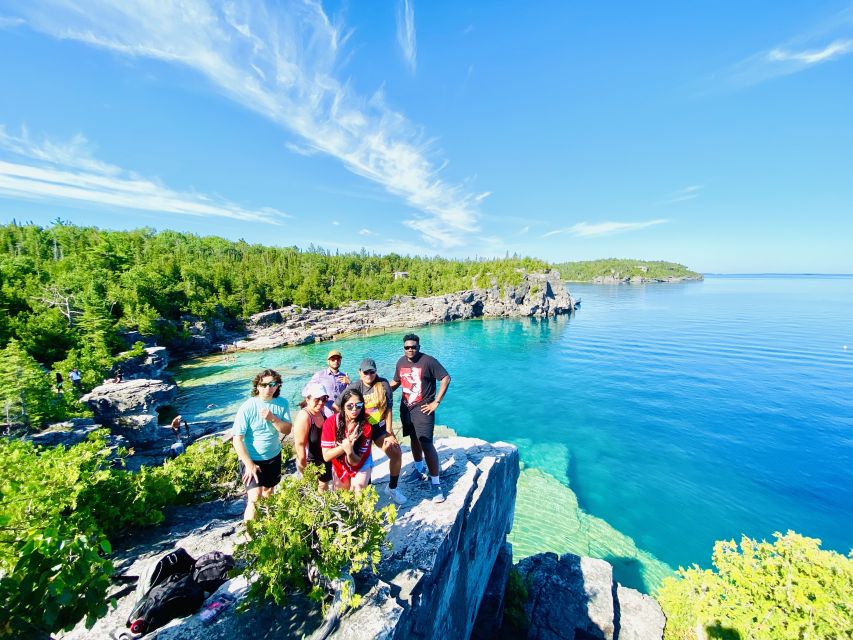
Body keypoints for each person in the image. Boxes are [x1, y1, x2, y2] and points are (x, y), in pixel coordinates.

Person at [334, 358, 407, 504]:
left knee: (396, 453)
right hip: (360, 431)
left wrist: (389, 432)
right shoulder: (354, 387)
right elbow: (337, 407)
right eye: (365, 372)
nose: (369, 375)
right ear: (360, 373)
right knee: (360, 463)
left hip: (379, 428)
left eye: (372, 372)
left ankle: (392, 488)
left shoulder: (384, 384)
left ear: (375, 371)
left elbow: (388, 410)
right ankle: (364, 490)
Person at [391, 334, 451, 504]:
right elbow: (396, 382)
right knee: (413, 439)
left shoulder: (428, 361)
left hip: (423, 409)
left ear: (418, 346)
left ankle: (436, 483)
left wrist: (436, 402)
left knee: (426, 443)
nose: (410, 350)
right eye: (407, 347)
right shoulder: (401, 362)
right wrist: (379, 389)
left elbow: (446, 378)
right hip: (406, 408)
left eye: (414, 347)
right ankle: (419, 469)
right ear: (404, 347)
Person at [232, 369, 293, 521]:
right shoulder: (248, 407)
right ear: (257, 386)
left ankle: (266, 524)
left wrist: (273, 419)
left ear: (277, 386)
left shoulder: (282, 403)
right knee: (254, 498)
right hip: (252, 459)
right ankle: (250, 536)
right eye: (264, 384)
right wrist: (249, 464)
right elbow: (237, 439)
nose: (268, 388)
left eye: (272, 384)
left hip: (273, 456)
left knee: (268, 492)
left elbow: (287, 429)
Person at [322, 389, 372, 493]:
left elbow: (356, 462)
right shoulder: (330, 422)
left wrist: (349, 451)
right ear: (343, 407)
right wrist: (345, 445)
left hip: (360, 461)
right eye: (350, 406)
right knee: (341, 496)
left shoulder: (366, 426)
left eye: (358, 405)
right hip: (339, 462)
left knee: (358, 488)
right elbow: (326, 456)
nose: (354, 409)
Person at [292, 381, 333, 492]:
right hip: (310, 462)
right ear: (308, 399)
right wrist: (305, 471)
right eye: (317, 399)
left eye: (324, 399)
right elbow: (300, 446)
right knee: (311, 492)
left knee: (323, 489)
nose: (321, 403)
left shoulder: (321, 411)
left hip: (324, 458)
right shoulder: (304, 416)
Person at [306, 349, 350, 416]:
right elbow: (307, 390)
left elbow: (350, 395)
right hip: (325, 414)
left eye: (338, 359)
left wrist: (349, 382)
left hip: (340, 414)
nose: (336, 361)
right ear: (328, 361)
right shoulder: (320, 375)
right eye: (333, 359)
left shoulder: (344, 376)